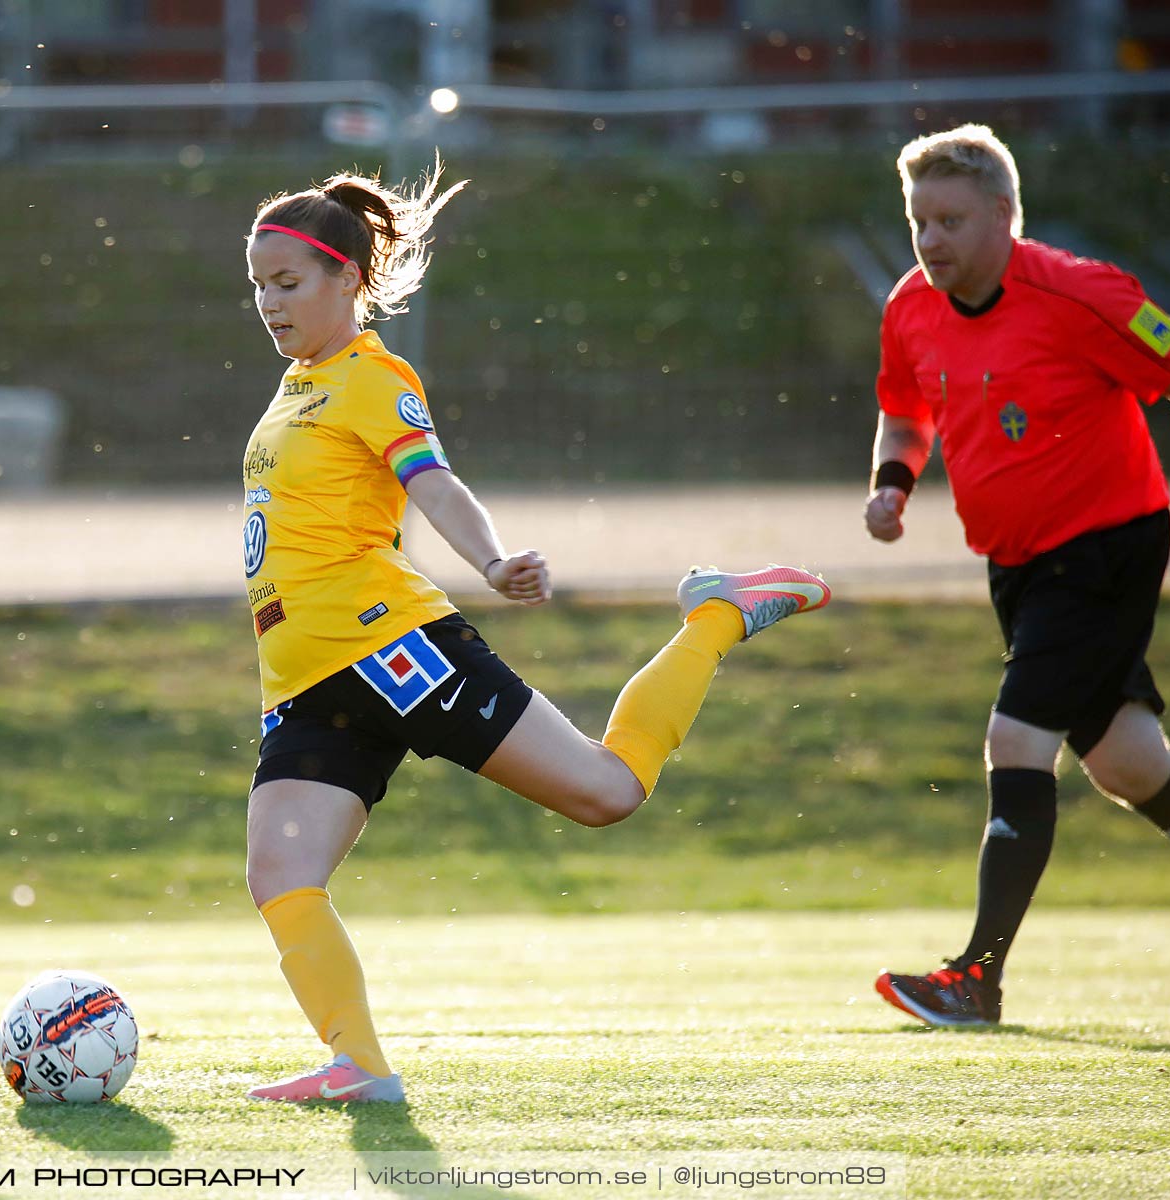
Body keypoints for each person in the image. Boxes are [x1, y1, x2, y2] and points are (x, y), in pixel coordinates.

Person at [239, 161, 831, 1102]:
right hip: (306, 683)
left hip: (390, 651)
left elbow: (434, 481)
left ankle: (716, 617)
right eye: (258, 286)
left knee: (606, 793)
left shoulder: (371, 375)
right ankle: (361, 1067)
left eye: (288, 283)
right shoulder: (293, 389)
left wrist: (489, 561)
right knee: (279, 872)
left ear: (348, 280)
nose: (269, 303)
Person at [865, 125, 1170, 1028]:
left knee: (1016, 741)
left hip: (1104, 549)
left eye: (952, 221)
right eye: (918, 222)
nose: (932, 241)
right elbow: (905, 411)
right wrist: (891, 485)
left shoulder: (1080, 294)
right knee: (1134, 767)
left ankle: (975, 979)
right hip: (1015, 567)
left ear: (1005, 217)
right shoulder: (910, 305)